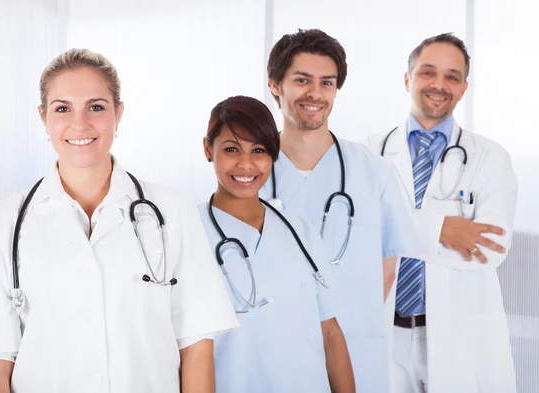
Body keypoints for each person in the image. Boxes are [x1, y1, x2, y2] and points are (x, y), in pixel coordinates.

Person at [0, 48, 238, 393]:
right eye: (63, 108)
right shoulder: (2, 223)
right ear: (42, 117)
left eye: (96, 107)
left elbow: (196, 347)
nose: (80, 123)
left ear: (118, 114)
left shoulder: (172, 212)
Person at [259, 29, 418, 393]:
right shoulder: (250, 173)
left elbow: (387, 266)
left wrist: (348, 320)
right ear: (275, 84)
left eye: (326, 83)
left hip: (355, 349)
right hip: (274, 351)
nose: (315, 93)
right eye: (302, 80)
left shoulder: (372, 171)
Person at [368, 33, 517, 393]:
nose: (439, 84)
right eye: (427, 72)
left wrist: (392, 227)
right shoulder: (369, 152)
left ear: (464, 88)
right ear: (408, 79)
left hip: (459, 333)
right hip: (385, 330)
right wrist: (441, 230)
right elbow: (356, 238)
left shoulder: (490, 158)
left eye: (452, 76)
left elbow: (488, 248)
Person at [199, 95, 355, 393]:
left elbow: (331, 334)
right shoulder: (189, 232)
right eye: (231, 149)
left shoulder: (300, 231)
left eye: (259, 150)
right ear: (208, 148)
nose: (246, 164)